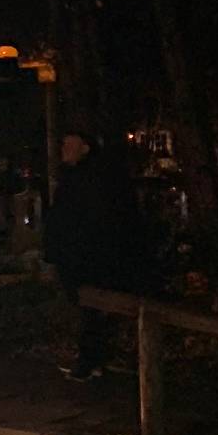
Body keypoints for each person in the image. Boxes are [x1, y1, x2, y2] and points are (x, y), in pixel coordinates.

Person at [45, 130, 140, 381]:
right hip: (78, 253)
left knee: (91, 306)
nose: (63, 147)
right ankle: (92, 358)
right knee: (87, 307)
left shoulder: (90, 179)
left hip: (86, 255)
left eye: (69, 143)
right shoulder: (77, 176)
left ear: (85, 147)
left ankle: (90, 360)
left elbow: (85, 219)